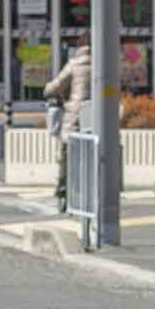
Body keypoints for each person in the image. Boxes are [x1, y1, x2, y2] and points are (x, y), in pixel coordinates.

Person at [42, 42, 91, 202]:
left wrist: (48, 90)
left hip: (77, 115)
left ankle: (63, 185)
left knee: (65, 149)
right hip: (100, 115)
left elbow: (54, 87)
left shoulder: (75, 64)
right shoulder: (106, 62)